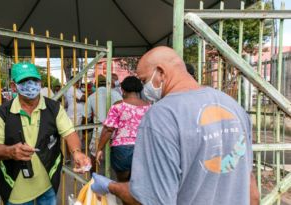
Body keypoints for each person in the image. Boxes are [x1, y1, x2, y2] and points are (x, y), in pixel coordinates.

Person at [91, 46, 259, 205]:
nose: (143, 87)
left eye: (143, 80)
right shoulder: (232, 105)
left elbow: (153, 198)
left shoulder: (161, 115)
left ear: (161, 72)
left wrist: (110, 186)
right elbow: (250, 183)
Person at [0, 63, 91, 205]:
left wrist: (77, 152)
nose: (30, 85)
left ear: (40, 83)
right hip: (16, 190)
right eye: (23, 81)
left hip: (47, 184)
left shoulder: (53, 108)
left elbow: (69, 133)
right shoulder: (2, 113)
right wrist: (10, 151)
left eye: (34, 80)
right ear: (13, 86)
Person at [95, 76, 150, 184]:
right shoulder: (149, 107)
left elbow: (108, 130)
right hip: (143, 147)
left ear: (122, 89)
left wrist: (99, 149)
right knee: (139, 185)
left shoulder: (118, 106)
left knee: (123, 184)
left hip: (122, 150)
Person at [84, 75, 122, 172]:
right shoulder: (116, 94)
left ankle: (92, 179)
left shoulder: (92, 97)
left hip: (99, 129)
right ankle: (115, 180)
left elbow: (87, 116)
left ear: (96, 85)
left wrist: (85, 131)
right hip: (115, 129)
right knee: (116, 155)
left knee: (94, 154)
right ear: (107, 83)